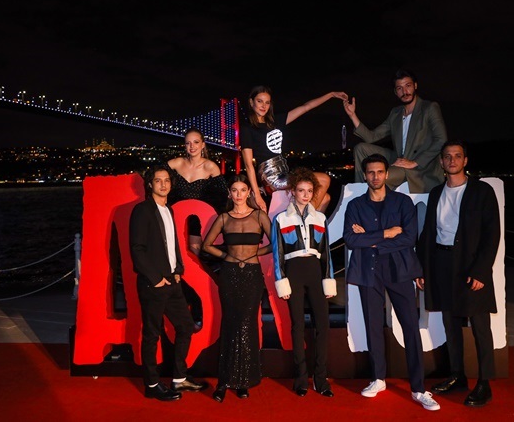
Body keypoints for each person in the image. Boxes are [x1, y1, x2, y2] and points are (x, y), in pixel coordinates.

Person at [343, 153, 440, 411]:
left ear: (386, 174)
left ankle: (419, 388)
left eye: (379, 172)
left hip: (400, 269)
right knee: (373, 326)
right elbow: (350, 240)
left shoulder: (402, 202)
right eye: (370, 172)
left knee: (410, 327)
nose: (375, 176)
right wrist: (386, 233)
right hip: (368, 271)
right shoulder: (355, 206)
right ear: (365, 175)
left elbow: (408, 238)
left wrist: (371, 239)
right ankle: (378, 379)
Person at [415, 140, 501, 407]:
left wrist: (481, 271)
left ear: (465, 161)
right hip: (441, 263)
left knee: (480, 326)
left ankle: (484, 383)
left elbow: (492, 234)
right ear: (441, 162)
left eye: (457, 156)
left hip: (470, 264)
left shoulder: (482, 191)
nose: (452, 160)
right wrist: (421, 267)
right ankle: (457, 375)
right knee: (450, 324)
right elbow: (428, 233)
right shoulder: (435, 193)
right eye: (447, 156)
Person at [129, 164, 208, 401]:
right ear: (150, 184)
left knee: (185, 326)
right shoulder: (142, 210)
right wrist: (155, 279)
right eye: (158, 180)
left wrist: (178, 271)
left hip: (173, 281)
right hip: (153, 284)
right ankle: (152, 385)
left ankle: (179, 378)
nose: (163, 184)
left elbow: (172, 245)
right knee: (152, 335)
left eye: (167, 180)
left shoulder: (169, 210)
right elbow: (137, 249)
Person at [201, 174, 273, 403]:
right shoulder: (223, 218)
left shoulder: (259, 216)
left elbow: (276, 243)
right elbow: (206, 245)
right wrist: (226, 256)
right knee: (230, 324)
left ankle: (244, 381)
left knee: (247, 324)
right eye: (235, 190)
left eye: (243, 190)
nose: (239, 194)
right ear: (230, 194)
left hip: (252, 275)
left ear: (249, 193)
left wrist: (256, 253)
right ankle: (223, 382)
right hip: (229, 276)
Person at [271, 167, 337, 398]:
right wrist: (282, 280)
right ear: (293, 192)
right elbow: (277, 253)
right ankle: (300, 379)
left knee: (323, 325)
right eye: (301, 190)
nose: (306, 195)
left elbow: (326, 252)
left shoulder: (320, 218)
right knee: (297, 326)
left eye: (310, 191)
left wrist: (328, 279)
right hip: (293, 272)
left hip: (316, 272)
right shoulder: (281, 219)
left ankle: (321, 379)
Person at [240, 85, 348, 214]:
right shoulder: (248, 128)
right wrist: (257, 195)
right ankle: (304, 218)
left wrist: (331, 94)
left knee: (326, 198)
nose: (264, 106)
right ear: (251, 102)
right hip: (270, 177)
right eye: (259, 101)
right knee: (324, 179)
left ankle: (307, 223)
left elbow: (306, 107)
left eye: (267, 102)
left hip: (284, 172)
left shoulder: (275, 121)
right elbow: (248, 165)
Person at [343, 68, 447, 193]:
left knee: (379, 178)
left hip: (419, 167)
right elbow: (371, 137)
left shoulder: (429, 108)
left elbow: (441, 140)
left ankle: (371, 195)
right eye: (399, 88)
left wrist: (415, 162)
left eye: (408, 86)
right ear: (395, 92)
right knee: (361, 148)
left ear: (415, 86)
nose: (405, 91)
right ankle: (361, 191)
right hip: (398, 159)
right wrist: (352, 115)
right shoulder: (395, 113)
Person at [167, 126, 229, 330]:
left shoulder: (211, 167)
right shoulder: (177, 163)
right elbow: (154, 176)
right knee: (175, 266)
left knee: (192, 266)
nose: (192, 146)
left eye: (195, 142)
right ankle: (183, 313)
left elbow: (221, 199)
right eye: (188, 143)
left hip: (196, 225)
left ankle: (198, 312)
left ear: (203, 144)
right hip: (175, 223)